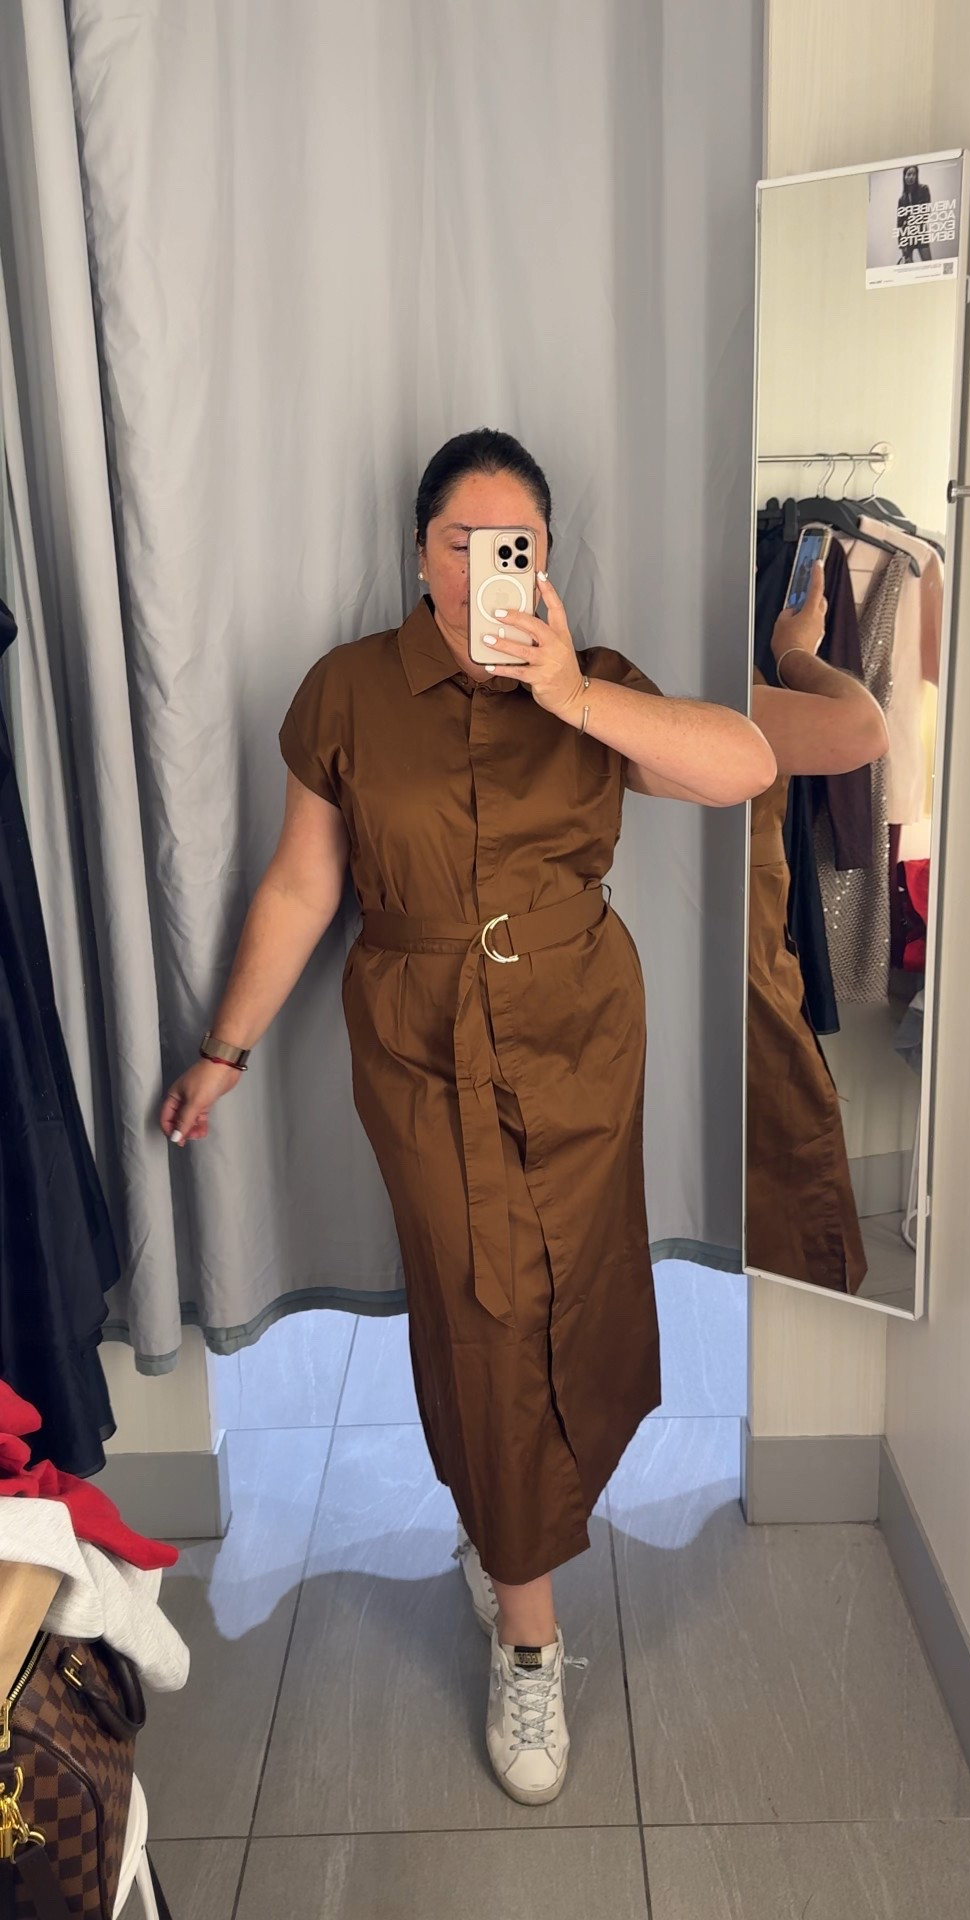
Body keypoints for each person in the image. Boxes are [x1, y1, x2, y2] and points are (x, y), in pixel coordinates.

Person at [159, 428, 775, 1806]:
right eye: (465, 542)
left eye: (519, 545)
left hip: (582, 1036)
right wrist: (225, 1049)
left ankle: (506, 1539)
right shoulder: (347, 692)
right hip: (423, 1047)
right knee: (481, 1306)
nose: (491, 565)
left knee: (582, 1293)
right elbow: (302, 887)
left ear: (545, 557)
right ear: (421, 552)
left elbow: (742, 766)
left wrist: (572, 695)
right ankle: (529, 1633)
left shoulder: (592, 682)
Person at [747, 562, 888, 1294]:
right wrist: (796, 651)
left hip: (728, 943)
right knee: (786, 1134)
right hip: (744, 958)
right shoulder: (720, 692)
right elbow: (863, 731)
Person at [897, 163, 933, 264]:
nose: (911, 177)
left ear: (917, 176)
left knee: (928, 264)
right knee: (908, 267)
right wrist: (901, 243)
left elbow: (926, 211)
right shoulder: (902, 199)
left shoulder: (924, 189)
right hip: (907, 235)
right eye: (908, 174)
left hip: (920, 231)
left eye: (914, 174)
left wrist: (912, 220)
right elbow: (899, 223)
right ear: (904, 177)